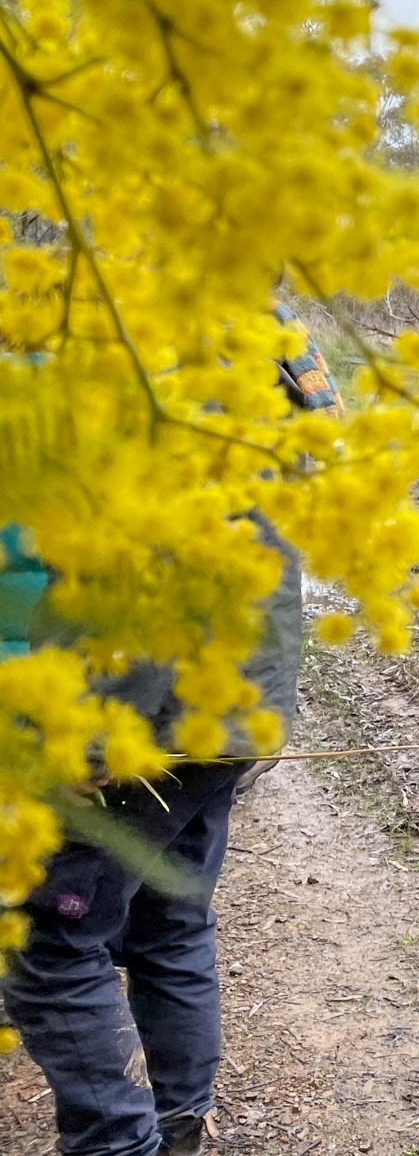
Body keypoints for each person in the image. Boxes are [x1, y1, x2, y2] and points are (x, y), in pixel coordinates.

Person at [1, 302, 338, 1156]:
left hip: (145, 709)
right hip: (234, 703)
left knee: (50, 944)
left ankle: (120, 1144)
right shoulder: (273, 340)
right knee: (166, 916)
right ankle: (181, 1126)